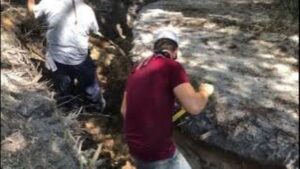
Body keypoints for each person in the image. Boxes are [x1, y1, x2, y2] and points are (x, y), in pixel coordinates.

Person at [120, 30, 214, 169]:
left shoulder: (136, 69)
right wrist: (204, 91)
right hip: (157, 152)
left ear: (155, 48)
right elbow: (195, 107)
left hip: (134, 146)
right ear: (175, 51)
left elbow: (124, 110)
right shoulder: (171, 66)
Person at [27, 0, 105, 111]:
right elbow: (93, 30)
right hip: (80, 59)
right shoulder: (87, 10)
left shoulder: (48, 3)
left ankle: (68, 106)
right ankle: (96, 106)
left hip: (57, 59)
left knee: (63, 87)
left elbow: (32, 12)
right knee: (90, 86)